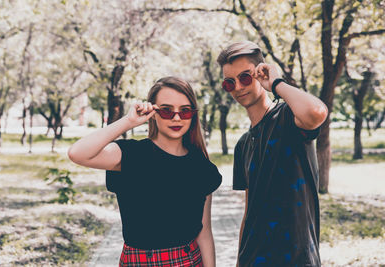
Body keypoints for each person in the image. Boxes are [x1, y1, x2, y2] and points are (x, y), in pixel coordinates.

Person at [68, 76, 222, 267]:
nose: (176, 118)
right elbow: (78, 153)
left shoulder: (201, 167)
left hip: (187, 261)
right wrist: (129, 121)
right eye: (166, 111)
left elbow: (204, 232)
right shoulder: (131, 154)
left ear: (193, 114)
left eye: (185, 111)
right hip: (138, 262)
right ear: (153, 112)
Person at [217, 41, 328, 267]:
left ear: (260, 73)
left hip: (297, 259)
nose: (238, 87)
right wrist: (240, 262)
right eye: (230, 83)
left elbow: (316, 112)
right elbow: (249, 213)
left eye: (245, 77)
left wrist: (277, 82)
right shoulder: (243, 144)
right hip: (253, 260)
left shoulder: (289, 118)